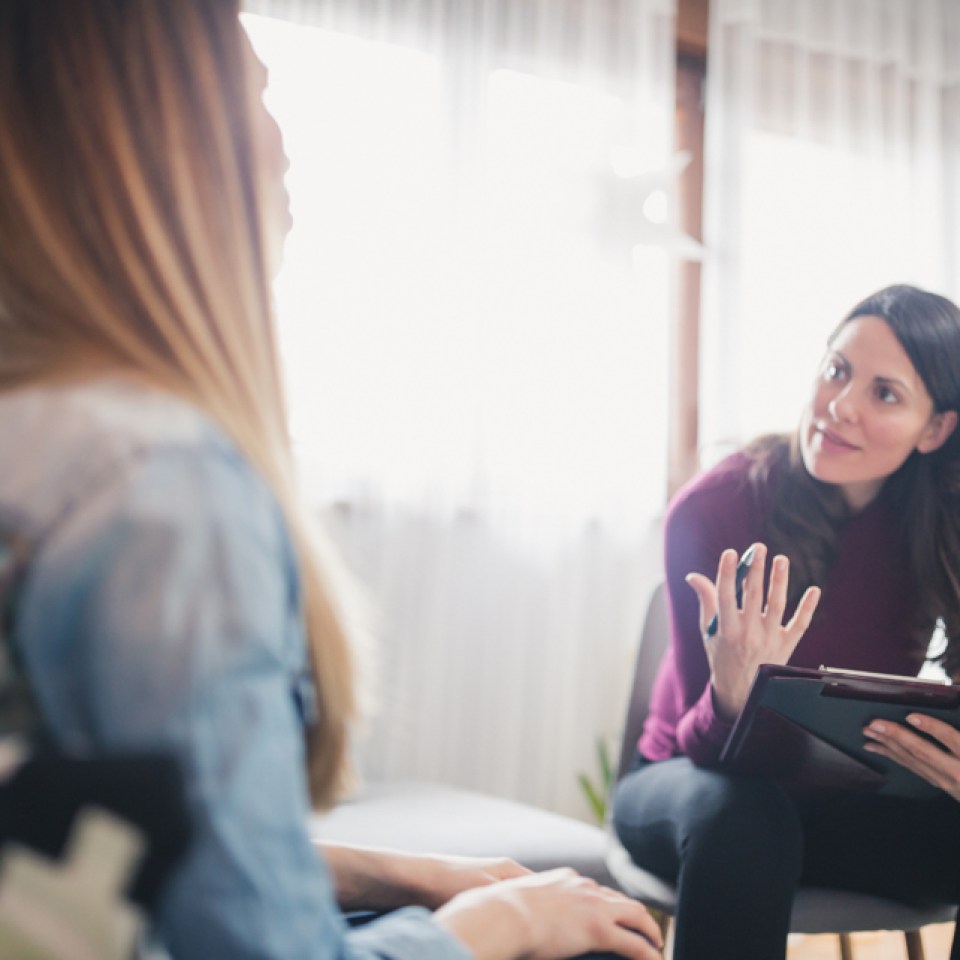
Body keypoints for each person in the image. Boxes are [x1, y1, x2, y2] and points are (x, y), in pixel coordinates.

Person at [0, 2, 664, 959]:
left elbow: (112, 845)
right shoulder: (164, 489)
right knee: (595, 937)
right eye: (260, 92)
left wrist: (404, 873)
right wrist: (501, 922)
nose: (284, 146)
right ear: (175, 137)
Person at [613, 283, 960, 959]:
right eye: (837, 370)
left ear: (936, 429)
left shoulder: (939, 524)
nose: (839, 406)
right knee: (748, 816)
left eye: (884, 393)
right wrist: (734, 697)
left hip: (832, 805)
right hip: (689, 786)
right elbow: (703, 746)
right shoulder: (714, 509)